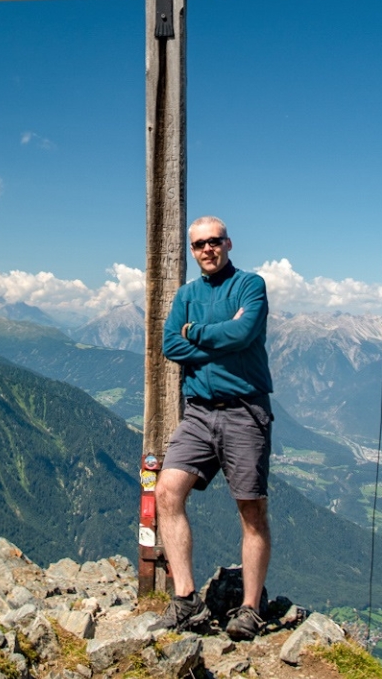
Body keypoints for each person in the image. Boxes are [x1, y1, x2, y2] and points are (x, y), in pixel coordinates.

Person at [151, 215, 275, 640]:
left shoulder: (250, 285)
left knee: (251, 509)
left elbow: (244, 332)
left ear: (229, 243)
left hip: (245, 411)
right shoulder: (186, 294)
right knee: (166, 491)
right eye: (199, 244)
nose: (207, 249)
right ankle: (186, 600)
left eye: (214, 241)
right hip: (199, 412)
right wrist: (222, 345)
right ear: (191, 250)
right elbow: (170, 343)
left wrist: (197, 335)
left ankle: (250, 608)